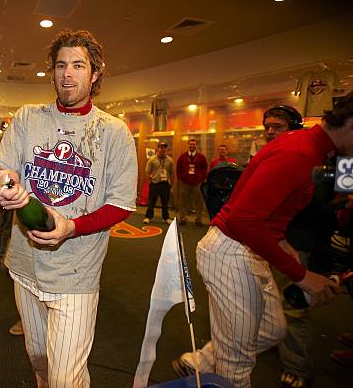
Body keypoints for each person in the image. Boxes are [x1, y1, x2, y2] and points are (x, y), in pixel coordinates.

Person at [172, 93, 353, 388]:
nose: (270, 131)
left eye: (276, 125)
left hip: (251, 247)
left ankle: (202, 362)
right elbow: (243, 221)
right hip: (232, 250)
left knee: (272, 329)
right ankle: (216, 365)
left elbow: (266, 215)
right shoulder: (300, 150)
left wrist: (282, 243)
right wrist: (302, 275)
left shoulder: (314, 148)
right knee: (237, 365)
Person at [0, 29, 137, 387]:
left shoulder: (114, 132)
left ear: (95, 74)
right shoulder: (28, 117)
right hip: (25, 265)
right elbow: (0, 169)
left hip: (76, 272)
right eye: (60, 65)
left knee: (65, 379)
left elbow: (120, 204)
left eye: (78, 65)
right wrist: (6, 182)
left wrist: (71, 227)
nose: (67, 74)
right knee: (39, 359)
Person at [176, 138, 208, 225]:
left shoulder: (201, 157)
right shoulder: (182, 156)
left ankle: (198, 219)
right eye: (191, 144)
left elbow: (205, 168)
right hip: (184, 183)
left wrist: (203, 179)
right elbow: (178, 168)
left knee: (199, 202)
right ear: (188, 145)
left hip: (197, 183)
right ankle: (182, 218)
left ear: (196, 145)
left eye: (194, 144)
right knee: (183, 201)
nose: (192, 145)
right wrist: (179, 178)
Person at [143, 142, 174, 224]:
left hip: (165, 184)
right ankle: (148, 217)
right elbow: (147, 172)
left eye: (164, 148)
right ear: (158, 149)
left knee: (165, 202)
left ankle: (166, 218)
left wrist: (171, 183)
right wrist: (149, 182)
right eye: (161, 147)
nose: (163, 149)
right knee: (151, 202)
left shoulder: (170, 160)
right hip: (155, 184)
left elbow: (172, 173)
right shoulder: (152, 160)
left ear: (166, 149)